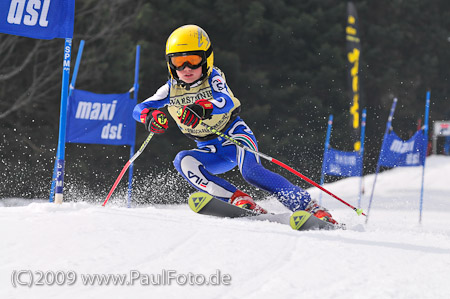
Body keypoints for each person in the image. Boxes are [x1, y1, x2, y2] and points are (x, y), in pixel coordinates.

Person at [132, 24, 337, 224]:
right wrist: (149, 117)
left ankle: (309, 207)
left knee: (252, 173)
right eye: (178, 62)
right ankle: (236, 198)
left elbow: (227, 100)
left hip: (235, 137)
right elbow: (139, 108)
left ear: (206, 59)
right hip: (209, 149)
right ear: (170, 64)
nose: (186, 68)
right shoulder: (170, 89)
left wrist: (203, 108)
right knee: (183, 161)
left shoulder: (213, 77)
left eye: (193, 60)